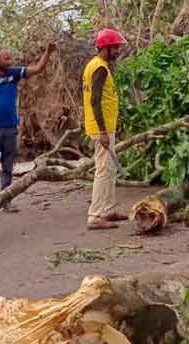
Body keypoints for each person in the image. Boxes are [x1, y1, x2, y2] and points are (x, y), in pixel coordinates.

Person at [0, 43, 56, 210]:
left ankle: (6, 201)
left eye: (10, 58)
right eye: (6, 58)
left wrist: (48, 52)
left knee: (8, 167)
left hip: (11, 128)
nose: (10, 61)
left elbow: (38, 69)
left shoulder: (14, 74)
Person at [82, 28, 129, 230]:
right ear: (106, 48)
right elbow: (95, 101)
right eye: (116, 48)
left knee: (109, 169)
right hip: (101, 127)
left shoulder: (97, 65)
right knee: (103, 170)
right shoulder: (99, 68)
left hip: (105, 126)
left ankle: (108, 210)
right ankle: (95, 216)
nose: (118, 51)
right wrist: (102, 132)